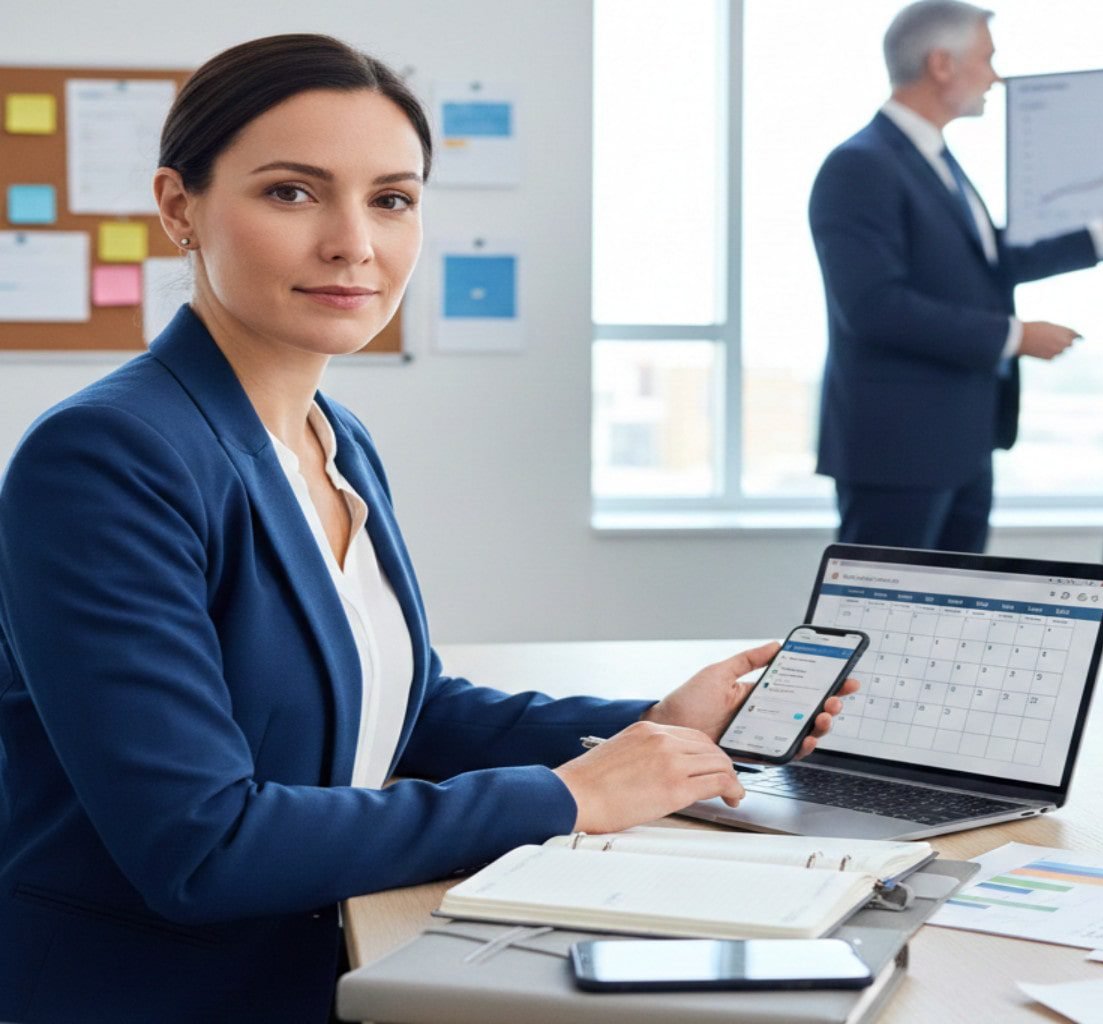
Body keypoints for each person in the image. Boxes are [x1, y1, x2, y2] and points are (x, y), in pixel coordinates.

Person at [0, 35, 852, 1024]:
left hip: (334, 950)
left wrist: (656, 722)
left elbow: (405, 706)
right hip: (163, 992)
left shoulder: (334, 439)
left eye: (392, 199)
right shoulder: (108, 457)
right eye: (292, 192)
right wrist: (568, 795)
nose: (353, 242)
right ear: (179, 206)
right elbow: (202, 844)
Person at [810, 0, 1103, 553]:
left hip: (962, 442)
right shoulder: (861, 166)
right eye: (987, 59)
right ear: (942, 64)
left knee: (953, 621)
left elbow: (986, 263)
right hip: (899, 450)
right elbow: (873, 308)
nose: (996, 76)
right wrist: (1014, 337)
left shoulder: (933, 160)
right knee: (880, 621)